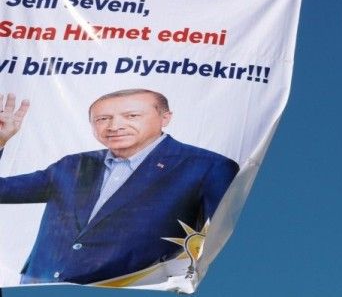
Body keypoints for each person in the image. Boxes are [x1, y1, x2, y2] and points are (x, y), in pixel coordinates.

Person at [0, 89, 239, 285]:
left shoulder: (209, 167)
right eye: (102, 119)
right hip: (39, 288)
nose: (115, 126)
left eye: (131, 116)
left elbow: (227, 242)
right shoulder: (73, 164)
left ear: (165, 118)